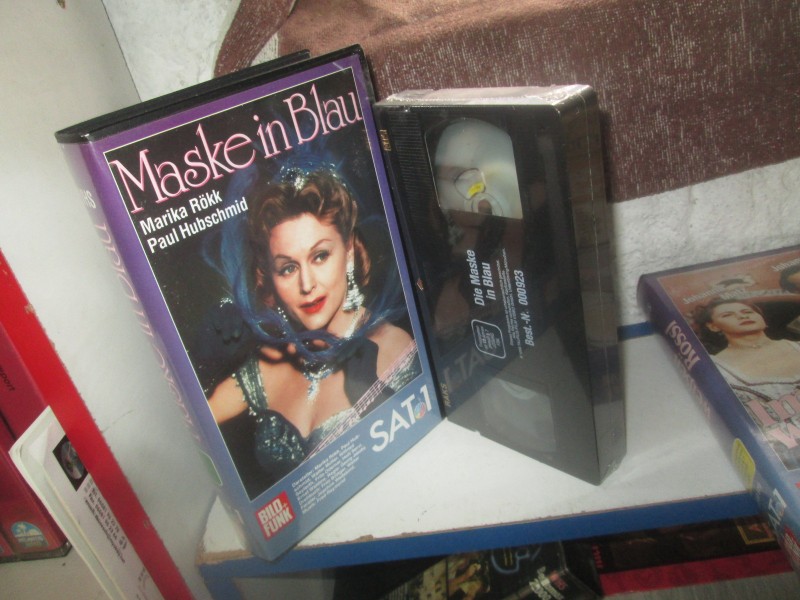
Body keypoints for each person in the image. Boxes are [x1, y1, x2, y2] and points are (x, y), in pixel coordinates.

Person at [207, 170, 419, 496]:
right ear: (271, 278)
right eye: (288, 268)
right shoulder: (269, 363)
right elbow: (193, 428)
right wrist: (205, 361)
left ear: (349, 252)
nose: (307, 285)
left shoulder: (393, 346)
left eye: (320, 256)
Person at [694, 297, 800, 467]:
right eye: (728, 315)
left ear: (762, 318)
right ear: (713, 326)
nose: (742, 316)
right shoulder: (716, 368)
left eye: (747, 312)